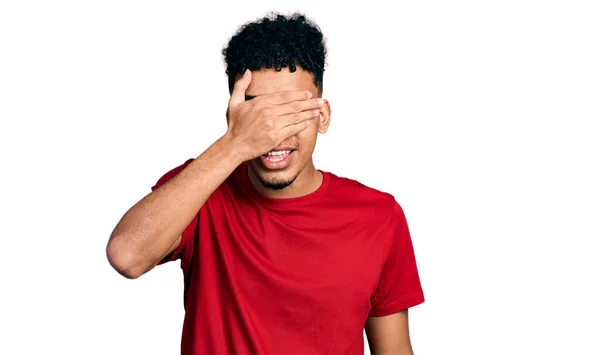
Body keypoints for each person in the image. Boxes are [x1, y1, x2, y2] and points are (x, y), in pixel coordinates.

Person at [106, 11, 425, 355]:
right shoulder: (201, 188)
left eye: (291, 111)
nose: (273, 134)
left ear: (323, 115)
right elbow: (127, 256)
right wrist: (234, 145)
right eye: (258, 114)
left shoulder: (379, 216)